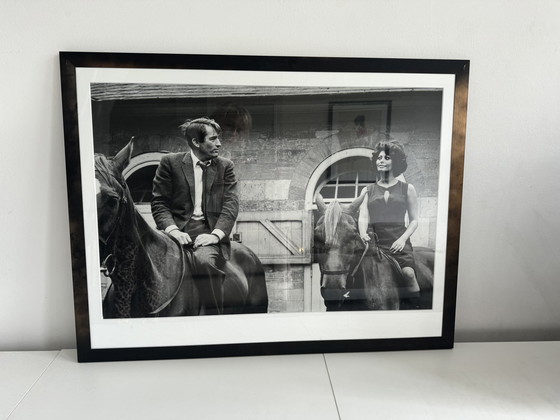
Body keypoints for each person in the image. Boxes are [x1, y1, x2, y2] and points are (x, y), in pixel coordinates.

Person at [151, 117, 239, 314]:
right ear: (195, 142)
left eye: (218, 139)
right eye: (213, 139)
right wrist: (172, 230)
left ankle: (213, 317)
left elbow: (231, 204)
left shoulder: (226, 166)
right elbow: (159, 203)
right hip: (172, 234)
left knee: (204, 262)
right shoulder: (169, 163)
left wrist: (215, 235)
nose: (219, 143)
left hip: (209, 235)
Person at [358, 140, 421, 299]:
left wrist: (402, 240)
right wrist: (362, 233)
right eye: (379, 158)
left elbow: (414, 220)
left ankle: (415, 308)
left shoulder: (408, 189)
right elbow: (363, 216)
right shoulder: (367, 190)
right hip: (375, 243)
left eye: (386, 158)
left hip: (398, 242)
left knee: (408, 274)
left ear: (396, 161)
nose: (381, 161)